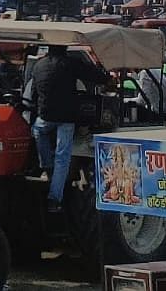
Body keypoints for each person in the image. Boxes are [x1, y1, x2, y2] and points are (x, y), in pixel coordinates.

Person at [30, 44, 110, 211]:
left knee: (38, 131)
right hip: (66, 118)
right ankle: (54, 199)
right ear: (64, 49)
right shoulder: (70, 63)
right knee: (63, 157)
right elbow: (96, 77)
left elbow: (34, 93)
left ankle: (46, 166)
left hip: (45, 116)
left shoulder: (38, 65)